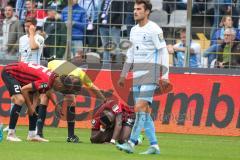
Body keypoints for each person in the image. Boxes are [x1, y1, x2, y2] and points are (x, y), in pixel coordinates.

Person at [116, 0, 169, 154]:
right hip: (137, 75)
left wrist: (165, 75)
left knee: (139, 107)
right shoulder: (133, 30)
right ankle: (154, 146)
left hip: (150, 74)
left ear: (147, 12)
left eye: (139, 9)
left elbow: (163, 51)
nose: (135, 11)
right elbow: (130, 54)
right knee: (144, 112)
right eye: (134, 9)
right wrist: (123, 73)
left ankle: (131, 143)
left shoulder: (154, 29)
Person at [34, 59, 106, 142]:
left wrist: (104, 99)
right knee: (44, 96)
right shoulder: (57, 73)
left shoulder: (81, 74)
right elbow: (48, 91)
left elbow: (94, 88)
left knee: (71, 100)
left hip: (65, 73)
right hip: (49, 69)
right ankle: (38, 133)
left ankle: (70, 136)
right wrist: (56, 104)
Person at [1, 62, 69, 142]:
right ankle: (11, 134)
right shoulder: (47, 81)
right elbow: (24, 90)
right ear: (60, 86)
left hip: (21, 74)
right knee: (20, 99)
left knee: (35, 102)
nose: (59, 92)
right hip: (10, 72)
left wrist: (33, 106)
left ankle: (32, 135)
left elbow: (38, 91)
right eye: (61, 90)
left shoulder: (53, 77)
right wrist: (30, 107)